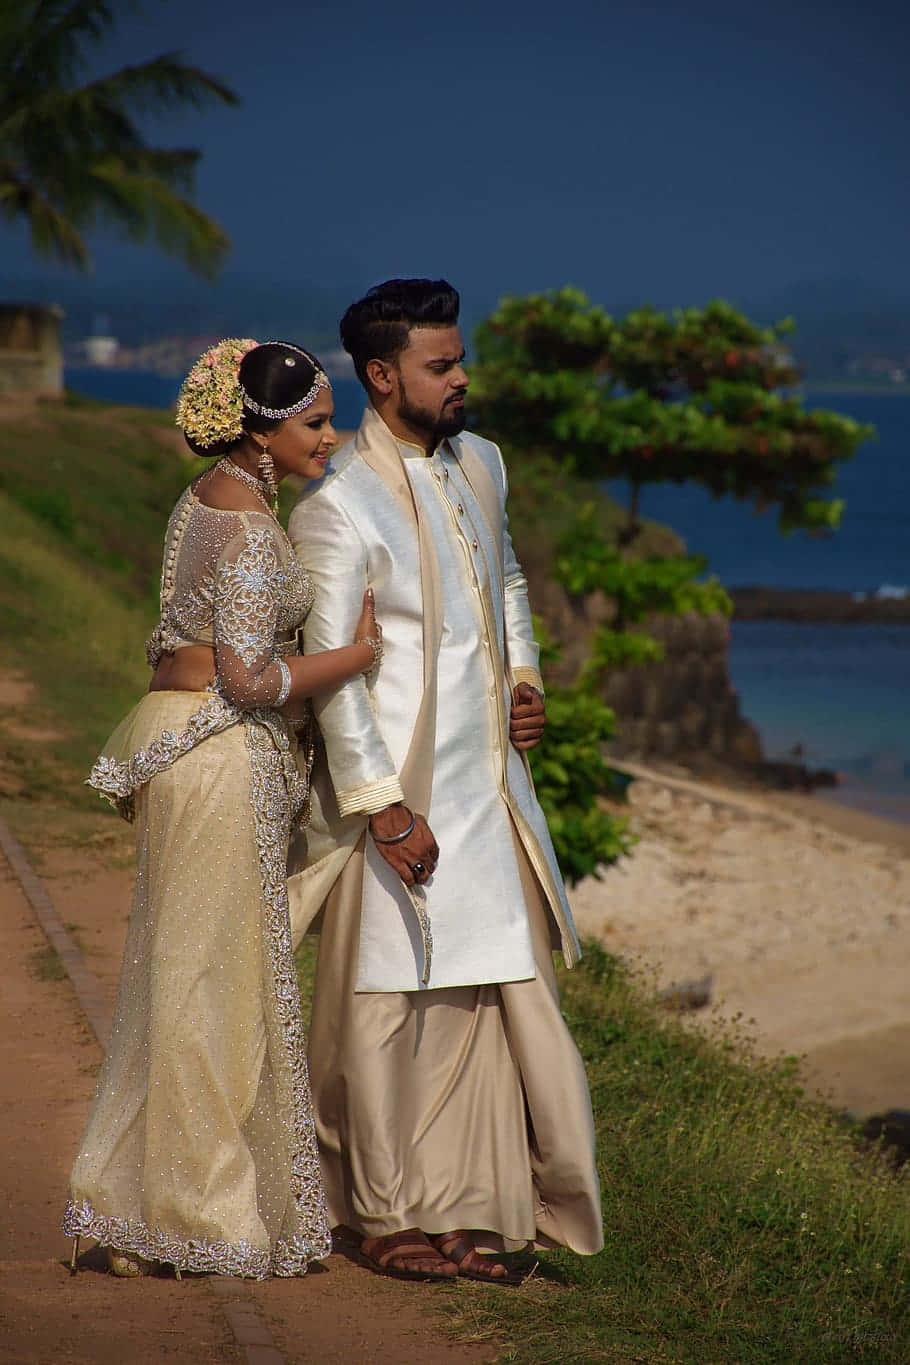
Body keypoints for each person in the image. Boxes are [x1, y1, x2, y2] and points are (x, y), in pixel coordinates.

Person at [286, 280, 603, 1283]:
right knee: (387, 1002)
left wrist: (523, 677)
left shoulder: (484, 462)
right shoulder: (335, 506)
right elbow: (334, 671)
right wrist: (381, 807)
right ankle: (382, 1215)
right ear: (382, 378)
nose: (461, 377)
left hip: (489, 784)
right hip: (400, 792)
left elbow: (504, 576)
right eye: (439, 365)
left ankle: (469, 1205)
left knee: (481, 992)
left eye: (458, 359)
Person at [63, 339, 382, 1280]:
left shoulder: (207, 499)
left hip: (185, 743)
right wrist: (352, 660)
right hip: (215, 753)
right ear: (260, 429)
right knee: (211, 980)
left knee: (186, 972)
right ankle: (201, 1213)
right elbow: (246, 676)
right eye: (316, 423)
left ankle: (136, 1206)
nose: (332, 437)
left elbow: (186, 644)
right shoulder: (243, 524)